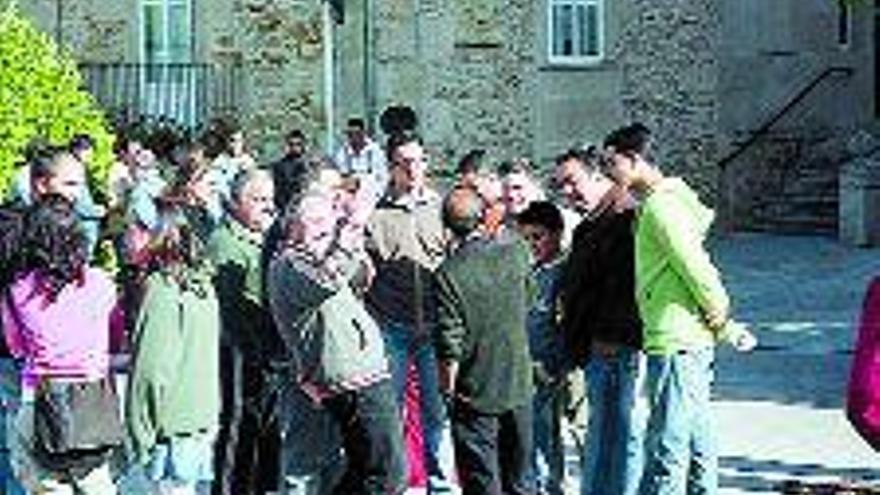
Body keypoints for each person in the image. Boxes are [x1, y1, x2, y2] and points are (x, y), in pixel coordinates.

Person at [602, 123, 756, 495]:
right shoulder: (662, 201)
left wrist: (720, 312)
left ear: (635, 160)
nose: (608, 173)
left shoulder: (660, 207)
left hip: (674, 337)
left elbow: (695, 265)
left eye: (612, 163)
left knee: (667, 443)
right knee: (696, 432)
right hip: (685, 334)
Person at [268, 180, 406, 495]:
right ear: (292, 227)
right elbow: (326, 281)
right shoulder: (290, 263)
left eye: (326, 219)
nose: (323, 227)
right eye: (313, 221)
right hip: (353, 379)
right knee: (387, 474)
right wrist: (352, 225)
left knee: (363, 468)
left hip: (361, 374)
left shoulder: (320, 256)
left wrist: (350, 237)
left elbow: (362, 276)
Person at [2, 196, 119, 494]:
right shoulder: (102, 283)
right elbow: (114, 336)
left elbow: (16, 347)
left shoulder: (17, 290)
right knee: (98, 485)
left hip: (39, 401)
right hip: (93, 405)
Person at [366, 132, 459, 494]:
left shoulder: (442, 208)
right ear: (392, 168)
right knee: (391, 414)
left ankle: (442, 486)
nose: (413, 169)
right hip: (393, 327)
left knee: (438, 415)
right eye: (404, 162)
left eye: (419, 160)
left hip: (435, 327)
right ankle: (397, 484)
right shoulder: (376, 213)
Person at [554, 147, 646, 495]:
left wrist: (610, 336)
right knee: (604, 435)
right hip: (597, 346)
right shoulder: (596, 219)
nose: (567, 192)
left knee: (621, 436)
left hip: (615, 346)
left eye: (572, 182)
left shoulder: (622, 217)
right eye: (561, 185)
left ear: (597, 176)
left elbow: (627, 286)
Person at [434, 185, 535, 495]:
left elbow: (450, 344)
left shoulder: (448, 273)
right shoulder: (516, 250)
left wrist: (447, 391)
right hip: (518, 381)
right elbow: (530, 298)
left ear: (447, 227)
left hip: (474, 392)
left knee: (482, 481)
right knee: (521, 478)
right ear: (482, 218)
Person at [126, 181, 221, 495]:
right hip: (197, 421)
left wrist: (139, 436)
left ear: (153, 235)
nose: (126, 238)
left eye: (133, 229)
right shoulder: (200, 280)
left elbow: (152, 372)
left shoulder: (162, 289)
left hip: (170, 431)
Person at [209, 169, 284, 495]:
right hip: (243, 351)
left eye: (270, 199)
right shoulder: (226, 242)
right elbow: (233, 312)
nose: (267, 207)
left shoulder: (266, 236)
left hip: (269, 350)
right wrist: (256, 354)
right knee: (240, 427)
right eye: (257, 199)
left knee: (269, 429)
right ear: (236, 203)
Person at [515, 201, 567, 495]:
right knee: (529, 434)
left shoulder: (563, 273)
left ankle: (550, 486)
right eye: (525, 238)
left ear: (557, 235)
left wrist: (558, 364)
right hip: (524, 363)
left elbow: (565, 323)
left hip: (548, 366)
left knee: (545, 433)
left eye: (538, 237)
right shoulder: (525, 270)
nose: (531, 244)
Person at [333, 117, 388, 202]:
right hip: (349, 195)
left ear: (363, 133)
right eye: (350, 134)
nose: (354, 137)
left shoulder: (376, 151)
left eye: (357, 133)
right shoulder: (342, 153)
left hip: (372, 194)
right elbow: (341, 175)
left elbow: (382, 178)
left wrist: (375, 194)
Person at [271, 129, 309, 212]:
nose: (295, 147)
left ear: (303, 145)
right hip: (285, 208)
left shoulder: (309, 165)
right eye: (291, 144)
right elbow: (278, 191)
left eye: (298, 144)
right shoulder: (280, 166)